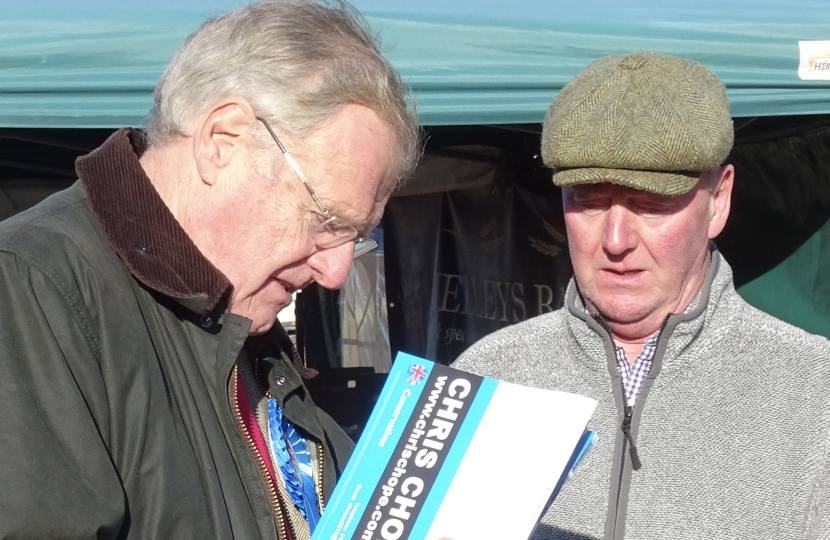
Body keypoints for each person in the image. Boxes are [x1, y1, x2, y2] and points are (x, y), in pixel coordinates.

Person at [0, 1, 419, 539]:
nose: (336, 272)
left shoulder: (236, 309)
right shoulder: (30, 288)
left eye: (355, 238)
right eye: (325, 220)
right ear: (223, 141)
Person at [453, 51, 830, 539]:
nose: (615, 240)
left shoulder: (815, 393)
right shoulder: (485, 380)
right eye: (587, 201)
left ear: (719, 200)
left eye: (650, 205)